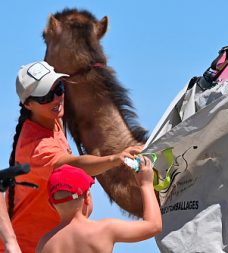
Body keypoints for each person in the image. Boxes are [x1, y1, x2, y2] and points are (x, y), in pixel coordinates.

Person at [2, 61, 143, 253]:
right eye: (46, 96)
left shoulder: (51, 118)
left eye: (59, 88)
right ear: (28, 104)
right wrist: (114, 159)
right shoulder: (36, 147)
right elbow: (74, 164)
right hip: (29, 247)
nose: (56, 98)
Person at [36, 160, 161, 253]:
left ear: (51, 205)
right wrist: (146, 184)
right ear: (87, 197)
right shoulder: (105, 229)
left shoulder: (44, 244)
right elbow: (154, 226)